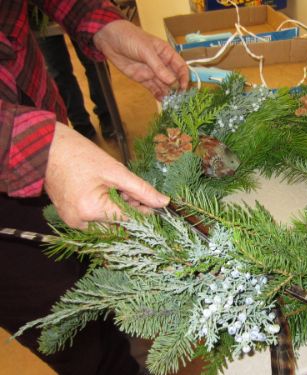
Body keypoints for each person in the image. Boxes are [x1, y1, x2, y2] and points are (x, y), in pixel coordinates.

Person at [0, 1, 189, 374]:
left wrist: (100, 24)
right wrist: (38, 149)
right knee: (71, 329)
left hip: (40, 112)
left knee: (88, 271)